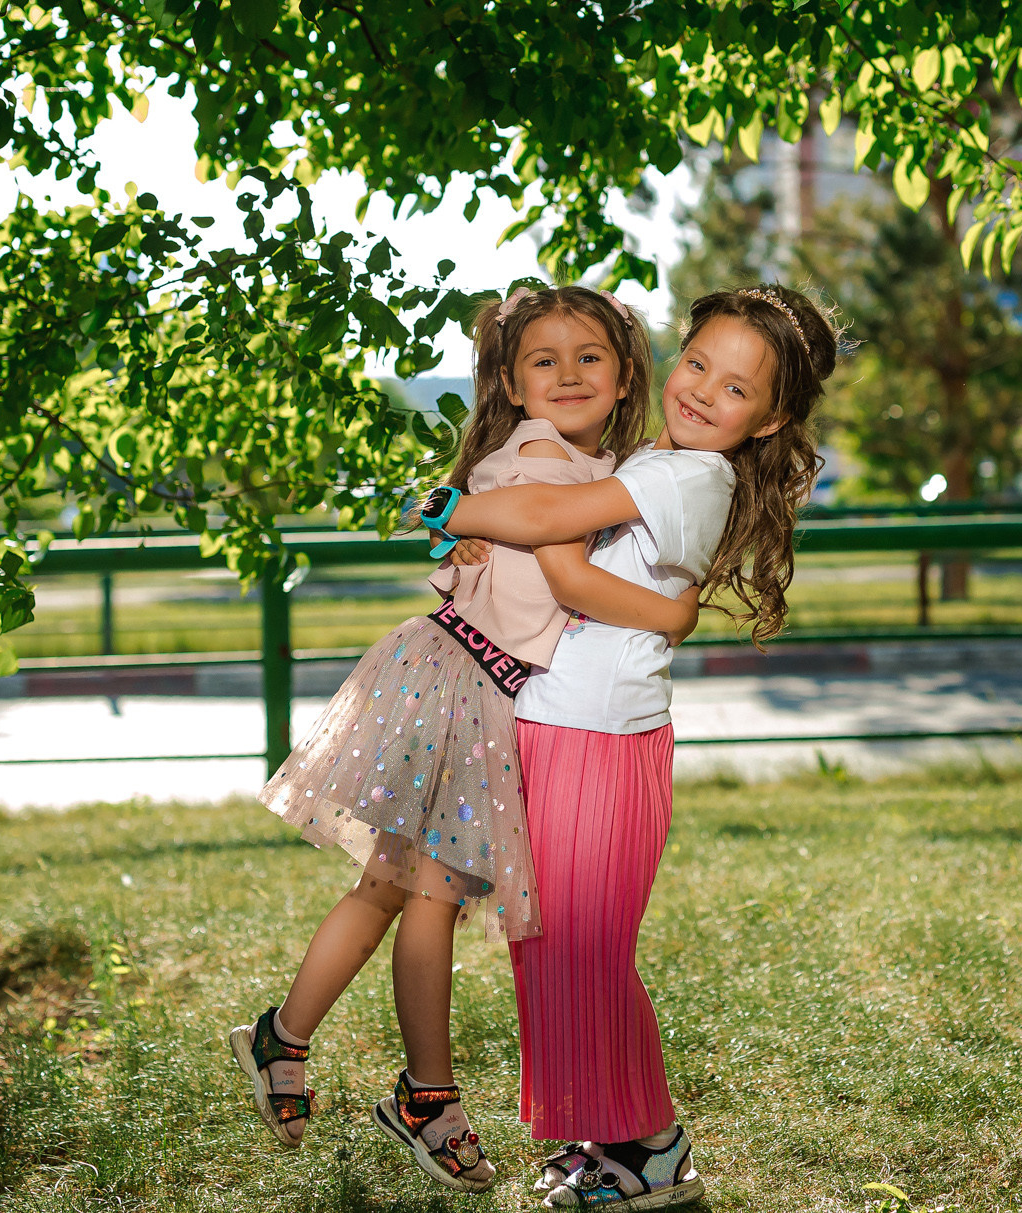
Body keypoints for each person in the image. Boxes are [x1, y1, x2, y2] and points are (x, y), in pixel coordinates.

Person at [228, 285, 698, 1194]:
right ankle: (426, 1098)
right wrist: (672, 611)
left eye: (588, 357)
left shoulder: (562, 456)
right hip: (464, 686)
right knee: (429, 896)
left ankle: (282, 1038)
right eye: (543, 361)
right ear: (514, 385)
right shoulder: (543, 460)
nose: (567, 374)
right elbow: (567, 566)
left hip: (444, 671)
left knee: (386, 886)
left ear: (624, 371)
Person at [430, 284, 842, 1209]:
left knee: (584, 951)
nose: (701, 391)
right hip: (554, 719)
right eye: (696, 363)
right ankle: (606, 1140)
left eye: (735, 388)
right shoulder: (655, 454)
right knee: (552, 948)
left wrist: (452, 510)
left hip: (600, 738)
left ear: (770, 417)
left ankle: (649, 1148)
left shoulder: (689, 475)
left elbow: (547, 538)